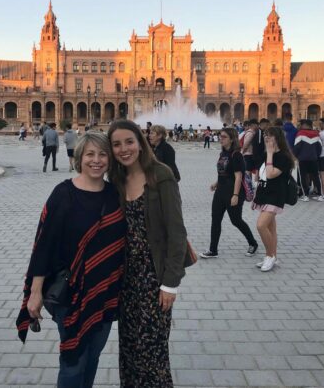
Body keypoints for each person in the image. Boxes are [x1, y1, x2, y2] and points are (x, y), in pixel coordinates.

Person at [18, 131, 126, 388]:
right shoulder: (63, 194)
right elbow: (43, 246)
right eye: (90, 154)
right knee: (73, 360)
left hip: (104, 293)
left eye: (102, 155)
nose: (96, 160)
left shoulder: (115, 195)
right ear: (79, 158)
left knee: (93, 356)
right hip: (70, 295)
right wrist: (35, 292)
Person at [108, 119, 194, 387]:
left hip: (154, 278)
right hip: (127, 279)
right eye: (116, 144)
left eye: (129, 142)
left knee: (153, 353)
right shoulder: (117, 179)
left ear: (141, 142)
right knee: (129, 348)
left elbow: (177, 231)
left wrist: (170, 284)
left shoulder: (161, 175)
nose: (124, 149)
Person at [200, 127, 258, 258]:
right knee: (215, 220)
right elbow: (224, 172)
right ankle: (213, 250)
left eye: (224, 137)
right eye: (220, 136)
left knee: (236, 220)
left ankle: (253, 243)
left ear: (232, 139)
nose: (221, 139)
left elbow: (238, 177)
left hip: (233, 192)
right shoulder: (223, 153)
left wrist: (235, 195)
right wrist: (216, 183)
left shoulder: (236, 155)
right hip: (220, 191)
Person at [252, 126, 295, 272]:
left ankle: (270, 256)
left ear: (278, 139)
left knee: (261, 226)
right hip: (264, 194)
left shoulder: (284, 157)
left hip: (275, 196)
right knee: (271, 228)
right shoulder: (265, 155)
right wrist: (256, 196)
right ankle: (272, 256)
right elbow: (261, 177)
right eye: (265, 135)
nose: (266, 137)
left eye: (270, 135)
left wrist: (270, 153)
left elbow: (271, 174)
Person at [293, 119, 322, 201]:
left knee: (303, 177)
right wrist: (316, 156)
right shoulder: (316, 134)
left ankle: (305, 195)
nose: (300, 126)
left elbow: (296, 147)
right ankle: (319, 195)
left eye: (301, 124)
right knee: (316, 177)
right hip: (314, 159)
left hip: (302, 159)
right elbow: (319, 147)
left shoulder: (300, 134)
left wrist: (295, 156)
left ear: (305, 125)